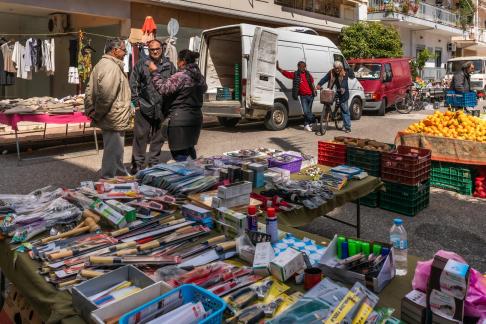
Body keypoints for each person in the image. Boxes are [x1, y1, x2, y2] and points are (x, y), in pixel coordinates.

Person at [148, 49, 207, 161]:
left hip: (180, 119)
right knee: (189, 149)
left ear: (182, 61)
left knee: (179, 153)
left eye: (178, 60)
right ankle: (195, 174)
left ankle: (187, 176)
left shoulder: (181, 76)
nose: (177, 63)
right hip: (195, 118)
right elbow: (204, 89)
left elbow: (163, 89)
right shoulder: (199, 77)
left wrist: (155, 72)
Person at [85, 38, 131, 179]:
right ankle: (108, 178)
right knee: (113, 149)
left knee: (116, 149)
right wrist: (97, 113)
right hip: (113, 116)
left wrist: (92, 110)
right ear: (115, 50)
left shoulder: (106, 64)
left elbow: (89, 89)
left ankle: (119, 174)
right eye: (124, 49)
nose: (126, 52)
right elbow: (106, 95)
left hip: (113, 114)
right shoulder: (110, 67)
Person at [129, 39, 176, 174]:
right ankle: (137, 164)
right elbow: (133, 84)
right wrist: (136, 102)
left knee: (159, 136)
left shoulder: (169, 65)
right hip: (144, 106)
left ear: (162, 49)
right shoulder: (141, 64)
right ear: (148, 50)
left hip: (162, 108)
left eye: (157, 49)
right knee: (140, 136)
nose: (155, 51)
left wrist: (171, 105)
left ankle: (153, 162)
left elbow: (174, 85)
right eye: (152, 49)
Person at [276, 60, 317, 131]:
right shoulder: (295, 74)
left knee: (309, 111)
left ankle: (306, 125)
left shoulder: (308, 74)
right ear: (298, 67)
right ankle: (314, 120)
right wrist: (279, 69)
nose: (303, 68)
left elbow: (312, 82)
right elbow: (286, 74)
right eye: (302, 67)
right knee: (306, 111)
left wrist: (314, 90)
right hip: (303, 96)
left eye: (304, 67)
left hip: (310, 96)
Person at [316, 61, 351, 133]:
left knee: (344, 110)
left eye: (338, 68)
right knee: (327, 101)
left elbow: (344, 82)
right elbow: (325, 78)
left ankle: (347, 127)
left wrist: (342, 88)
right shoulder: (331, 72)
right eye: (335, 68)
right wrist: (319, 84)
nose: (336, 69)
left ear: (341, 68)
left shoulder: (344, 73)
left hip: (343, 92)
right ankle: (327, 116)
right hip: (333, 91)